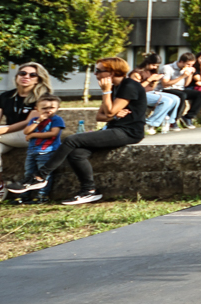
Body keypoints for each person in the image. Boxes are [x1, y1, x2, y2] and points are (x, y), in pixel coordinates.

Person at [11, 57, 147, 204]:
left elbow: (108, 112)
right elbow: (100, 116)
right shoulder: (114, 88)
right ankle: (89, 191)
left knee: (72, 139)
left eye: (99, 71)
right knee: (77, 153)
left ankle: (39, 177)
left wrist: (107, 96)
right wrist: (112, 111)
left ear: (111, 72)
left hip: (129, 132)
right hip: (115, 128)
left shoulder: (129, 86)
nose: (96, 74)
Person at [0, 62, 52, 203]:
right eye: (22, 73)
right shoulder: (5, 97)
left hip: (30, 135)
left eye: (32, 75)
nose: (26, 77)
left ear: (39, 79)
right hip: (7, 137)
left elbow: (28, 123)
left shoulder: (42, 97)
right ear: (17, 76)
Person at [18, 95, 66, 203]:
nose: (48, 110)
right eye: (44, 108)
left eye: (52, 108)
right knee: (29, 173)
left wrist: (33, 135)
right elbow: (26, 131)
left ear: (57, 108)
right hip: (32, 151)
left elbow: (53, 133)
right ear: (37, 108)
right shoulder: (34, 120)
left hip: (47, 151)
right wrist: (38, 121)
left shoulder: (56, 119)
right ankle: (25, 195)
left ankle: (42, 195)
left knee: (44, 174)